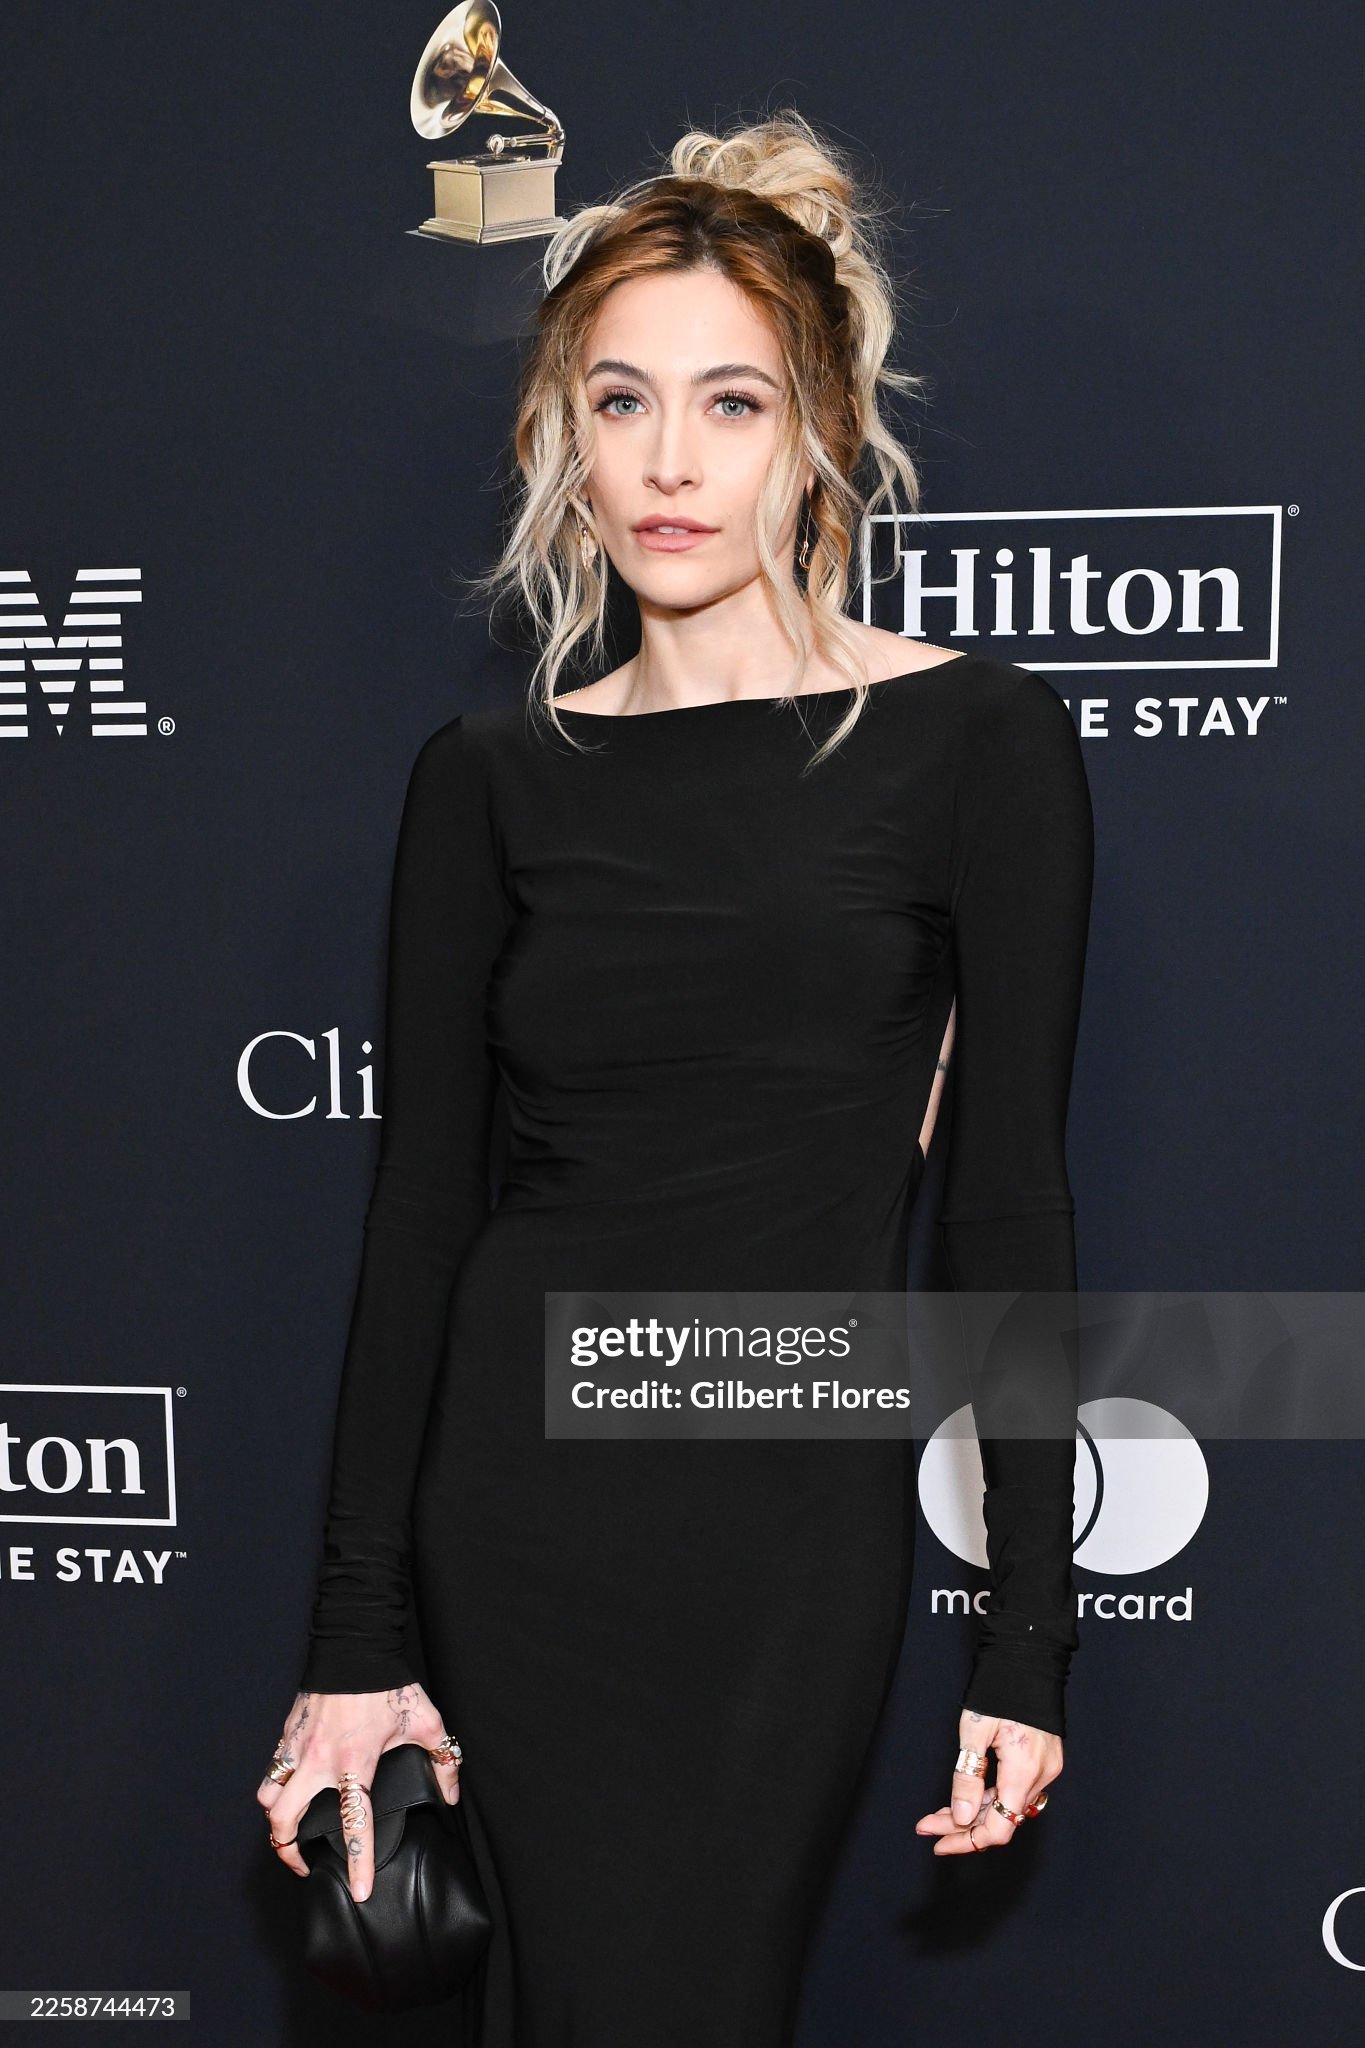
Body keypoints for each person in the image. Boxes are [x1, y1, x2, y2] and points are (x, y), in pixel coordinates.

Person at [257, 108, 1093, 2046]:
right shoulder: (489, 779)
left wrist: (1025, 1641)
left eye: (731, 403)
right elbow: (421, 1216)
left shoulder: (973, 743)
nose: (667, 461)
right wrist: (356, 1640)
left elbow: (1006, 1208)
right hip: (512, 1498)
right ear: (561, 429)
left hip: (775, 1506)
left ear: (820, 430)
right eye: (619, 400)